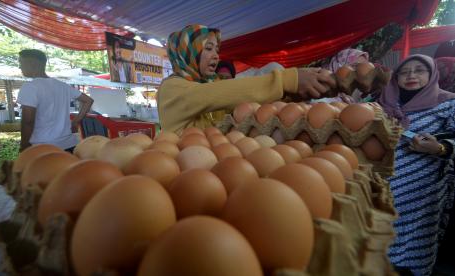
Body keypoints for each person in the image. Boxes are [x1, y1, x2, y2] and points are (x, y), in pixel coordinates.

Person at [158, 24, 336, 134]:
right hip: (184, 176)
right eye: (209, 49)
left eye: (217, 51)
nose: (216, 57)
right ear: (188, 52)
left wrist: (289, 95)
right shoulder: (172, 89)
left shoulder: (210, 82)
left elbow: (240, 102)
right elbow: (224, 92)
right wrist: (286, 80)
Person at [378, 54, 455, 276]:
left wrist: (440, 148)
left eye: (419, 70)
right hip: (383, 190)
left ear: (431, 75)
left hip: (421, 193)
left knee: (414, 249)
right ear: (397, 77)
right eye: (405, 71)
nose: (411, 75)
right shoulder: (385, 103)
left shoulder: (448, 103)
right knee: (380, 246)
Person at [17, 49, 94, 153]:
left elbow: (28, 121)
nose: (20, 67)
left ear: (33, 63)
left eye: (21, 62)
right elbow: (88, 101)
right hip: (69, 144)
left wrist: (24, 146)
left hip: (44, 147)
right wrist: (76, 121)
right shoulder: (62, 85)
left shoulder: (31, 87)